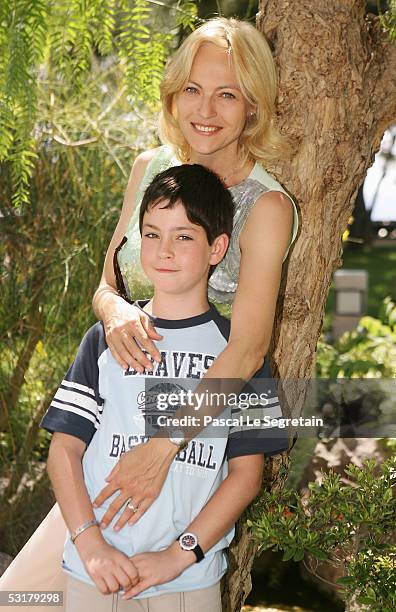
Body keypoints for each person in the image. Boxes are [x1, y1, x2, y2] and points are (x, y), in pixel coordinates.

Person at [0, 16, 298, 607]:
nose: (205, 108)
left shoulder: (267, 206)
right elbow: (107, 284)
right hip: (114, 414)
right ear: (172, 95)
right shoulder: (148, 168)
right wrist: (113, 315)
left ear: (253, 108)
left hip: (194, 431)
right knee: (27, 595)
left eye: (227, 93)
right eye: (192, 89)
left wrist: (163, 450)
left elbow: (248, 348)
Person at [41, 163, 287, 611]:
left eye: (183, 236)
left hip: (186, 584)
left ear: (217, 248)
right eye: (152, 234)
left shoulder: (240, 354)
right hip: (93, 573)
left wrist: (178, 556)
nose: (164, 251)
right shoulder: (107, 338)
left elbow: (246, 477)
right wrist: (90, 543)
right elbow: (64, 449)